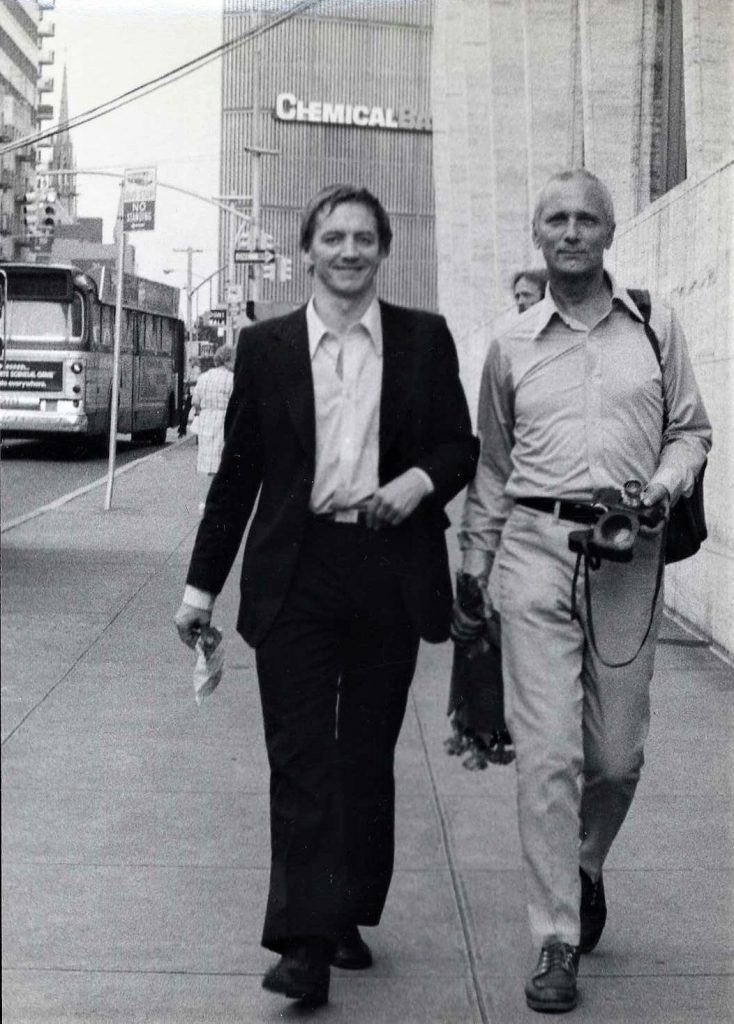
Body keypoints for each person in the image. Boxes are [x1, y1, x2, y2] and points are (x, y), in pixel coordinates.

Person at [174, 184, 478, 1008]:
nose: (349, 250)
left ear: (383, 250)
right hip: (297, 569)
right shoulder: (266, 347)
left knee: (363, 756)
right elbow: (238, 477)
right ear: (307, 252)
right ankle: (303, 944)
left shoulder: (423, 339)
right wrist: (200, 589)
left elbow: (459, 446)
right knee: (301, 756)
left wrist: (417, 484)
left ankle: (346, 910)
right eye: (333, 237)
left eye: (363, 238)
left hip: (388, 567)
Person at [454, 168, 711, 1013]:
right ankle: (556, 937)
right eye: (557, 219)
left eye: (586, 219)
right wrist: (474, 570)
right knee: (551, 753)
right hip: (534, 548)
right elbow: (493, 468)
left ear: (609, 232)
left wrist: (663, 487)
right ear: (538, 235)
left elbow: (690, 430)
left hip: (628, 554)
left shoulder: (655, 327)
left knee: (616, 756)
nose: (571, 232)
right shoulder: (510, 344)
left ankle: (584, 863)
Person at [190, 346, 235, 512]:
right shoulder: (232, 379)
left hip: (207, 421)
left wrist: (202, 412)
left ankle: (208, 502)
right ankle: (223, 502)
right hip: (225, 421)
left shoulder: (204, 377)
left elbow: (195, 401)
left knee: (209, 465)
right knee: (225, 463)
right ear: (228, 360)